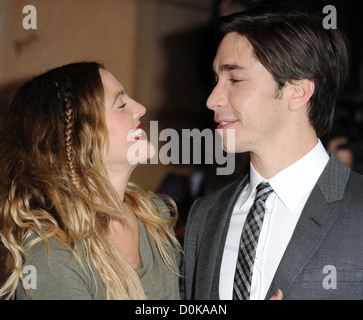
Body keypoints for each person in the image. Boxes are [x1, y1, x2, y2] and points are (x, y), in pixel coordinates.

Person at [181, 6, 363, 300]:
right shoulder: (205, 215)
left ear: (297, 92)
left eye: (236, 80)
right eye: (216, 80)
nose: (212, 99)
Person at [0, 62, 181, 300]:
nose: (141, 108)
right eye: (121, 104)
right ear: (77, 138)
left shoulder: (154, 215)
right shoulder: (52, 256)